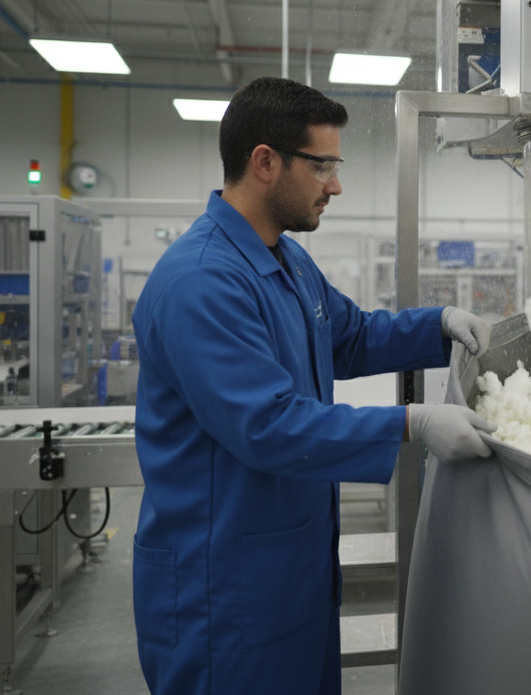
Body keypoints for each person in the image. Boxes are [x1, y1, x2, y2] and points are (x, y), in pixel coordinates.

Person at [131, 77, 497, 695]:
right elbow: (266, 424)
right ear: (265, 162)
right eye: (322, 165)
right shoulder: (201, 281)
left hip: (291, 574)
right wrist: (413, 423)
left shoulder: (286, 258)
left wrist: (437, 326)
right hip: (221, 591)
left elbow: (350, 335)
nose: (336, 184)